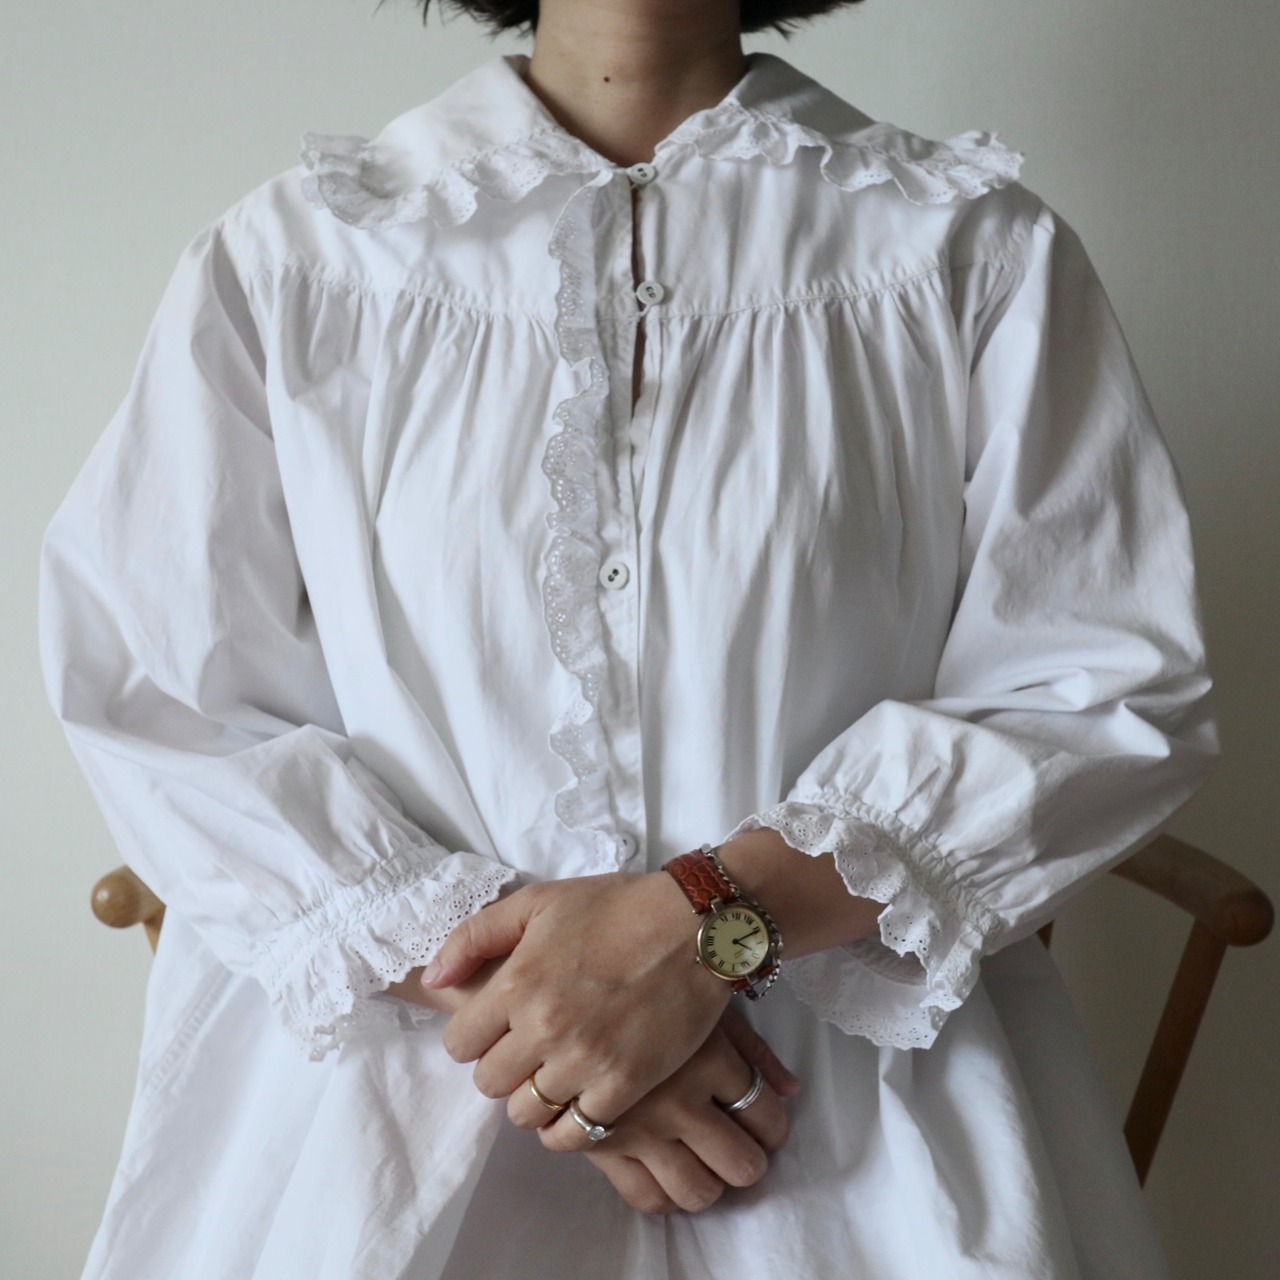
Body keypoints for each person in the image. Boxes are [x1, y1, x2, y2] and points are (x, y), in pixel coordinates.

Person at [39, 0, 1218, 1275]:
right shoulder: (299, 262)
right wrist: (545, 1006)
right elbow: (159, 692)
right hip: (388, 1094)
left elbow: (1098, 683)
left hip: (853, 1108)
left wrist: (703, 930)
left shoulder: (965, 252)